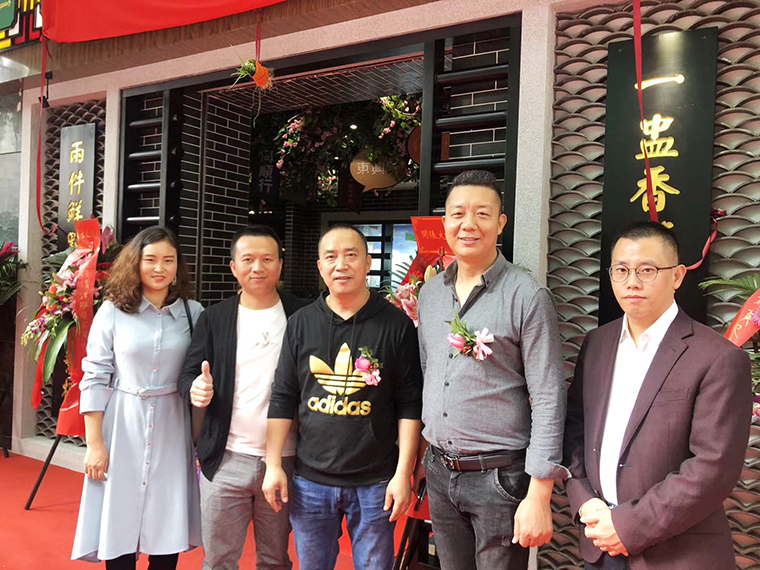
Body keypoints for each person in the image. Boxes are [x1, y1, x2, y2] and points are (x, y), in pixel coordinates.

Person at [564, 221, 752, 570]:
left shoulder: (718, 358)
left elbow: (713, 468)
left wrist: (627, 526)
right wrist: (583, 501)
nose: (632, 282)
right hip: (598, 543)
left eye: (647, 270)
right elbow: (575, 429)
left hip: (675, 554)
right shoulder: (596, 344)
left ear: (677, 276)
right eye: (621, 270)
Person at [416, 170, 569, 569]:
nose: (468, 224)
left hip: (500, 480)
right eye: (458, 213)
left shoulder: (527, 296)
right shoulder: (430, 294)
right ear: (445, 222)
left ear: (500, 223)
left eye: (482, 214)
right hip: (439, 470)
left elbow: (549, 396)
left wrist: (539, 495)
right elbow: (429, 373)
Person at [263, 223, 423, 570]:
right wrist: (273, 464)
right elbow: (283, 395)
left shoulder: (396, 325)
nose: (341, 265)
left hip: (376, 482)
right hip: (311, 480)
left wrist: (403, 474)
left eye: (351, 255)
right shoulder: (301, 323)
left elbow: (410, 405)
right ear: (320, 267)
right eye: (331, 257)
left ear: (367, 263)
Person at [72, 226, 202, 569]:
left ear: (178, 266)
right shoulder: (113, 311)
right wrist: (95, 444)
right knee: (119, 523)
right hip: (123, 426)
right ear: (136, 263)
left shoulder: (193, 313)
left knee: (167, 524)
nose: (160, 268)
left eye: (168, 260)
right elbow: (95, 376)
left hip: (172, 427)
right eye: (151, 260)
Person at [177, 225, 306, 570]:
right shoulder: (215, 317)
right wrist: (195, 388)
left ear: (280, 264)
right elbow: (187, 374)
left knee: (275, 559)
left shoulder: (303, 314)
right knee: (219, 560)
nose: (258, 267)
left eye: (267, 259)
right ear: (233, 267)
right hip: (226, 458)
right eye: (248, 259)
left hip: (286, 459)